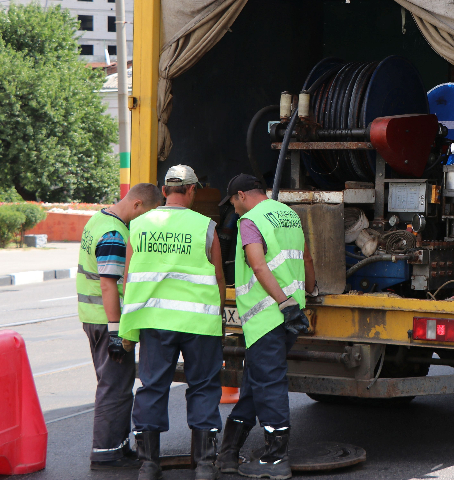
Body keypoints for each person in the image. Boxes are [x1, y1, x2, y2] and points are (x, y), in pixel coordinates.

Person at [120, 165, 225, 480]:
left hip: (155, 322)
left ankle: (149, 464)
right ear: (192, 191)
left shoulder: (138, 225)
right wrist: (217, 319)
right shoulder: (206, 226)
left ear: (164, 191)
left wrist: (129, 326)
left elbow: (129, 279)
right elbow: (219, 278)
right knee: (204, 387)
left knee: (152, 387)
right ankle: (205, 464)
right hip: (199, 324)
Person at [217, 174, 317, 480]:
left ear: (243, 195)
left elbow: (258, 265)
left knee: (270, 384)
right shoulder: (289, 215)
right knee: (256, 382)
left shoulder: (250, 221)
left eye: (233, 201)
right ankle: (228, 455)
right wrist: (309, 293)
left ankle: (275, 460)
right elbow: (306, 259)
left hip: (267, 317)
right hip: (289, 316)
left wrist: (282, 302)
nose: (233, 209)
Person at [76, 182, 162, 470]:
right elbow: (108, 284)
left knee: (118, 383)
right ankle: (106, 451)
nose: (144, 221)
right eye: (145, 213)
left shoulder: (100, 218)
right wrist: (116, 331)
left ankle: (118, 445)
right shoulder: (114, 234)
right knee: (114, 384)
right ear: (137, 204)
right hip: (106, 319)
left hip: (95, 317)